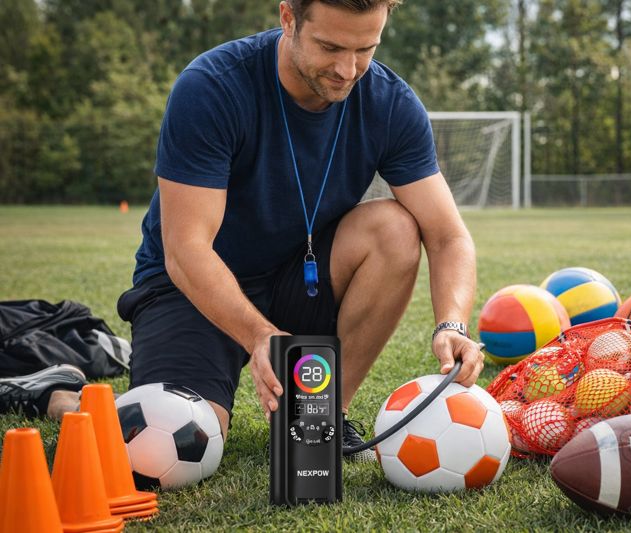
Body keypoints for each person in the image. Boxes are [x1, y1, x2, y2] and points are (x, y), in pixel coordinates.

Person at [0, 0, 483, 463]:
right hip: (191, 288)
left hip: (299, 274)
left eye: (366, 49)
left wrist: (452, 324)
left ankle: (320, 416)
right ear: (288, 18)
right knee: (176, 445)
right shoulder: (213, 86)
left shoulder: (390, 103)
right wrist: (260, 336)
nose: (348, 69)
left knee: (395, 228)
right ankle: (57, 393)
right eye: (331, 48)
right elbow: (186, 250)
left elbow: (448, 236)